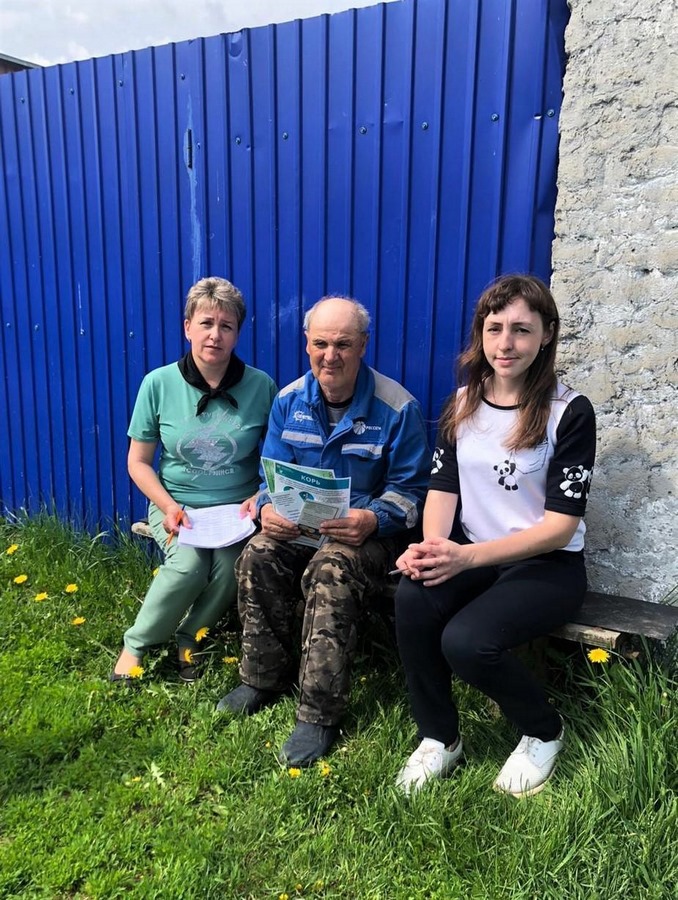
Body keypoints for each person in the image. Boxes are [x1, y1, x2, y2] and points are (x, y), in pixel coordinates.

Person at [393, 274, 596, 798]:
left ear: (546, 335)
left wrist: (464, 558)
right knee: (413, 599)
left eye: (522, 330)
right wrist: (433, 548)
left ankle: (543, 730)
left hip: (547, 566)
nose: (506, 343)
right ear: (480, 334)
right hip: (473, 555)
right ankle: (439, 736)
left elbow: (559, 528)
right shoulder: (462, 403)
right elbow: (443, 489)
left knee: (466, 642)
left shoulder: (569, 411)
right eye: (495, 328)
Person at [217, 296, 430, 765]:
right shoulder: (288, 401)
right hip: (303, 528)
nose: (330, 356)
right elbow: (269, 478)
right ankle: (261, 677)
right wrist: (267, 509)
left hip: (370, 538)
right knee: (257, 555)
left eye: (343, 344)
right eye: (320, 344)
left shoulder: (397, 408)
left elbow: (413, 493)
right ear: (306, 344)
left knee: (331, 569)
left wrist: (374, 519)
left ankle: (318, 713)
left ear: (363, 346)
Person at [111, 277, 277, 683]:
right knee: (188, 567)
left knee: (231, 567)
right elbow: (138, 462)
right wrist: (168, 506)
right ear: (188, 327)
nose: (215, 335)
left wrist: (261, 495)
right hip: (175, 504)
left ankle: (191, 636)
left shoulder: (262, 386)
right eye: (206, 323)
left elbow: (276, 459)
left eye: (226, 326)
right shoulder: (158, 384)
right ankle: (137, 645)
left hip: (237, 511)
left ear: (237, 333)